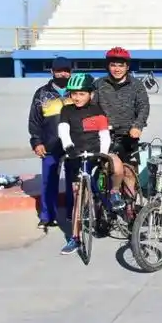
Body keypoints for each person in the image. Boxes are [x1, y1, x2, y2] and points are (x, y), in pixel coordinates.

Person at [57, 73, 123, 255]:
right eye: (73, 94)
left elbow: (104, 135)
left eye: (81, 94)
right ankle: (75, 238)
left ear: (91, 94)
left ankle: (114, 193)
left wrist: (103, 153)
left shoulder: (98, 110)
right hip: (76, 155)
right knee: (78, 197)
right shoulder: (66, 111)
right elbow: (63, 131)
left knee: (117, 166)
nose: (77, 97)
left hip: (96, 153)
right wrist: (68, 146)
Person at [93, 46, 149, 195]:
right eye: (113, 65)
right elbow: (91, 106)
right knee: (105, 171)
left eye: (120, 65)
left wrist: (138, 126)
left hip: (128, 135)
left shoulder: (136, 85)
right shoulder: (99, 84)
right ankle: (105, 204)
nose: (117, 69)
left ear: (127, 66)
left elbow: (143, 107)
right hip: (104, 135)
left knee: (129, 172)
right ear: (108, 66)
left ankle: (130, 209)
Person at [28, 56, 74, 230]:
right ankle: (47, 216)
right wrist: (36, 142)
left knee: (74, 181)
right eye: (59, 70)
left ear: (71, 72)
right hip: (50, 144)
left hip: (73, 144)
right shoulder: (42, 93)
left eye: (66, 70)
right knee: (49, 181)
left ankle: (72, 213)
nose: (63, 74)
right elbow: (34, 120)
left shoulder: (77, 91)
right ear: (52, 72)